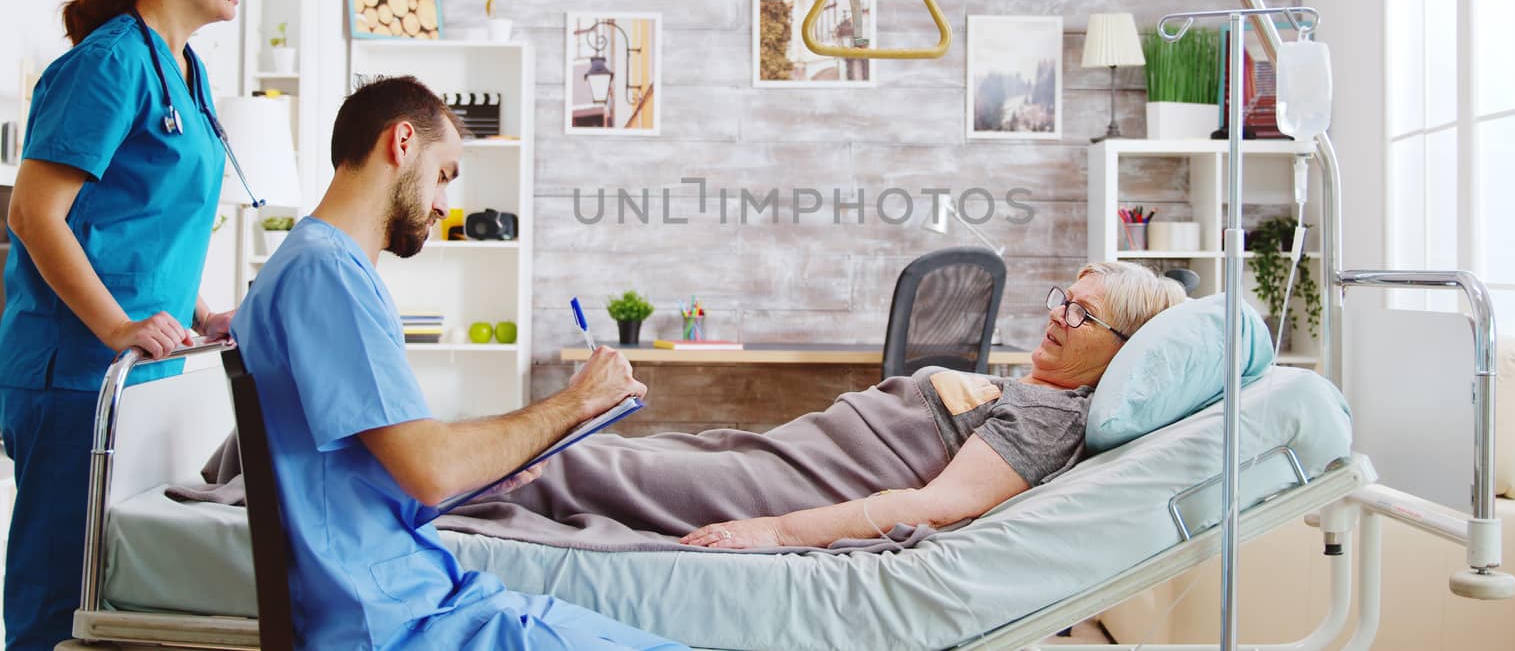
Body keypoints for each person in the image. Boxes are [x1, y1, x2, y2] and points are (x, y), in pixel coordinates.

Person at [230, 76, 683, 650]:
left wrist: (503, 457)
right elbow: (431, 468)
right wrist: (578, 400)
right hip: (393, 617)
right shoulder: (327, 274)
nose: (445, 204)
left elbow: (383, 468)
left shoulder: (316, 264)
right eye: (443, 174)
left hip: (420, 592)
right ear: (401, 143)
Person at [458, 262, 1185, 553]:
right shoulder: (1035, 390)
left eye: (1083, 316)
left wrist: (776, 530)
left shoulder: (1051, 417)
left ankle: (402, 499)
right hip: (786, 453)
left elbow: (945, 504)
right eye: (1065, 299)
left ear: (1121, 348)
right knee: (609, 455)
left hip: (798, 486)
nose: (1058, 316)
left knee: (579, 466)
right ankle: (416, 481)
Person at [0, 0, 251, 650]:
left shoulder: (186, 69)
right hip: (74, 366)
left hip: (134, 367)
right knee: (57, 587)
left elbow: (144, 221)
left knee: (102, 584)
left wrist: (204, 311)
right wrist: (117, 325)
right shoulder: (107, 65)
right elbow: (33, 213)